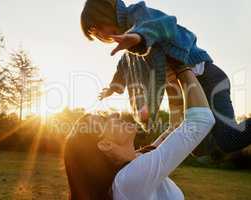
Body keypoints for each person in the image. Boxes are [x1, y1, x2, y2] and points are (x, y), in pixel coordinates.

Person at [81, 0, 251, 161]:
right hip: (184, 89)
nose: (101, 36)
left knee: (228, 140)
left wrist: (138, 37)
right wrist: (114, 87)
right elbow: (123, 66)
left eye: (97, 30)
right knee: (196, 147)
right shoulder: (129, 50)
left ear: (104, 14)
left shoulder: (137, 13)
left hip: (208, 80)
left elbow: (162, 24)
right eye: (95, 35)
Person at [64, 67, 215, 200]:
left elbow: (173, 129)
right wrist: (182, 69)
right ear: (105, 144)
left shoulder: (136, 162)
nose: (115, 114)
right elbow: (200, 122)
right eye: (104, 120)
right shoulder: (129, 179)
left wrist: (171, 85)